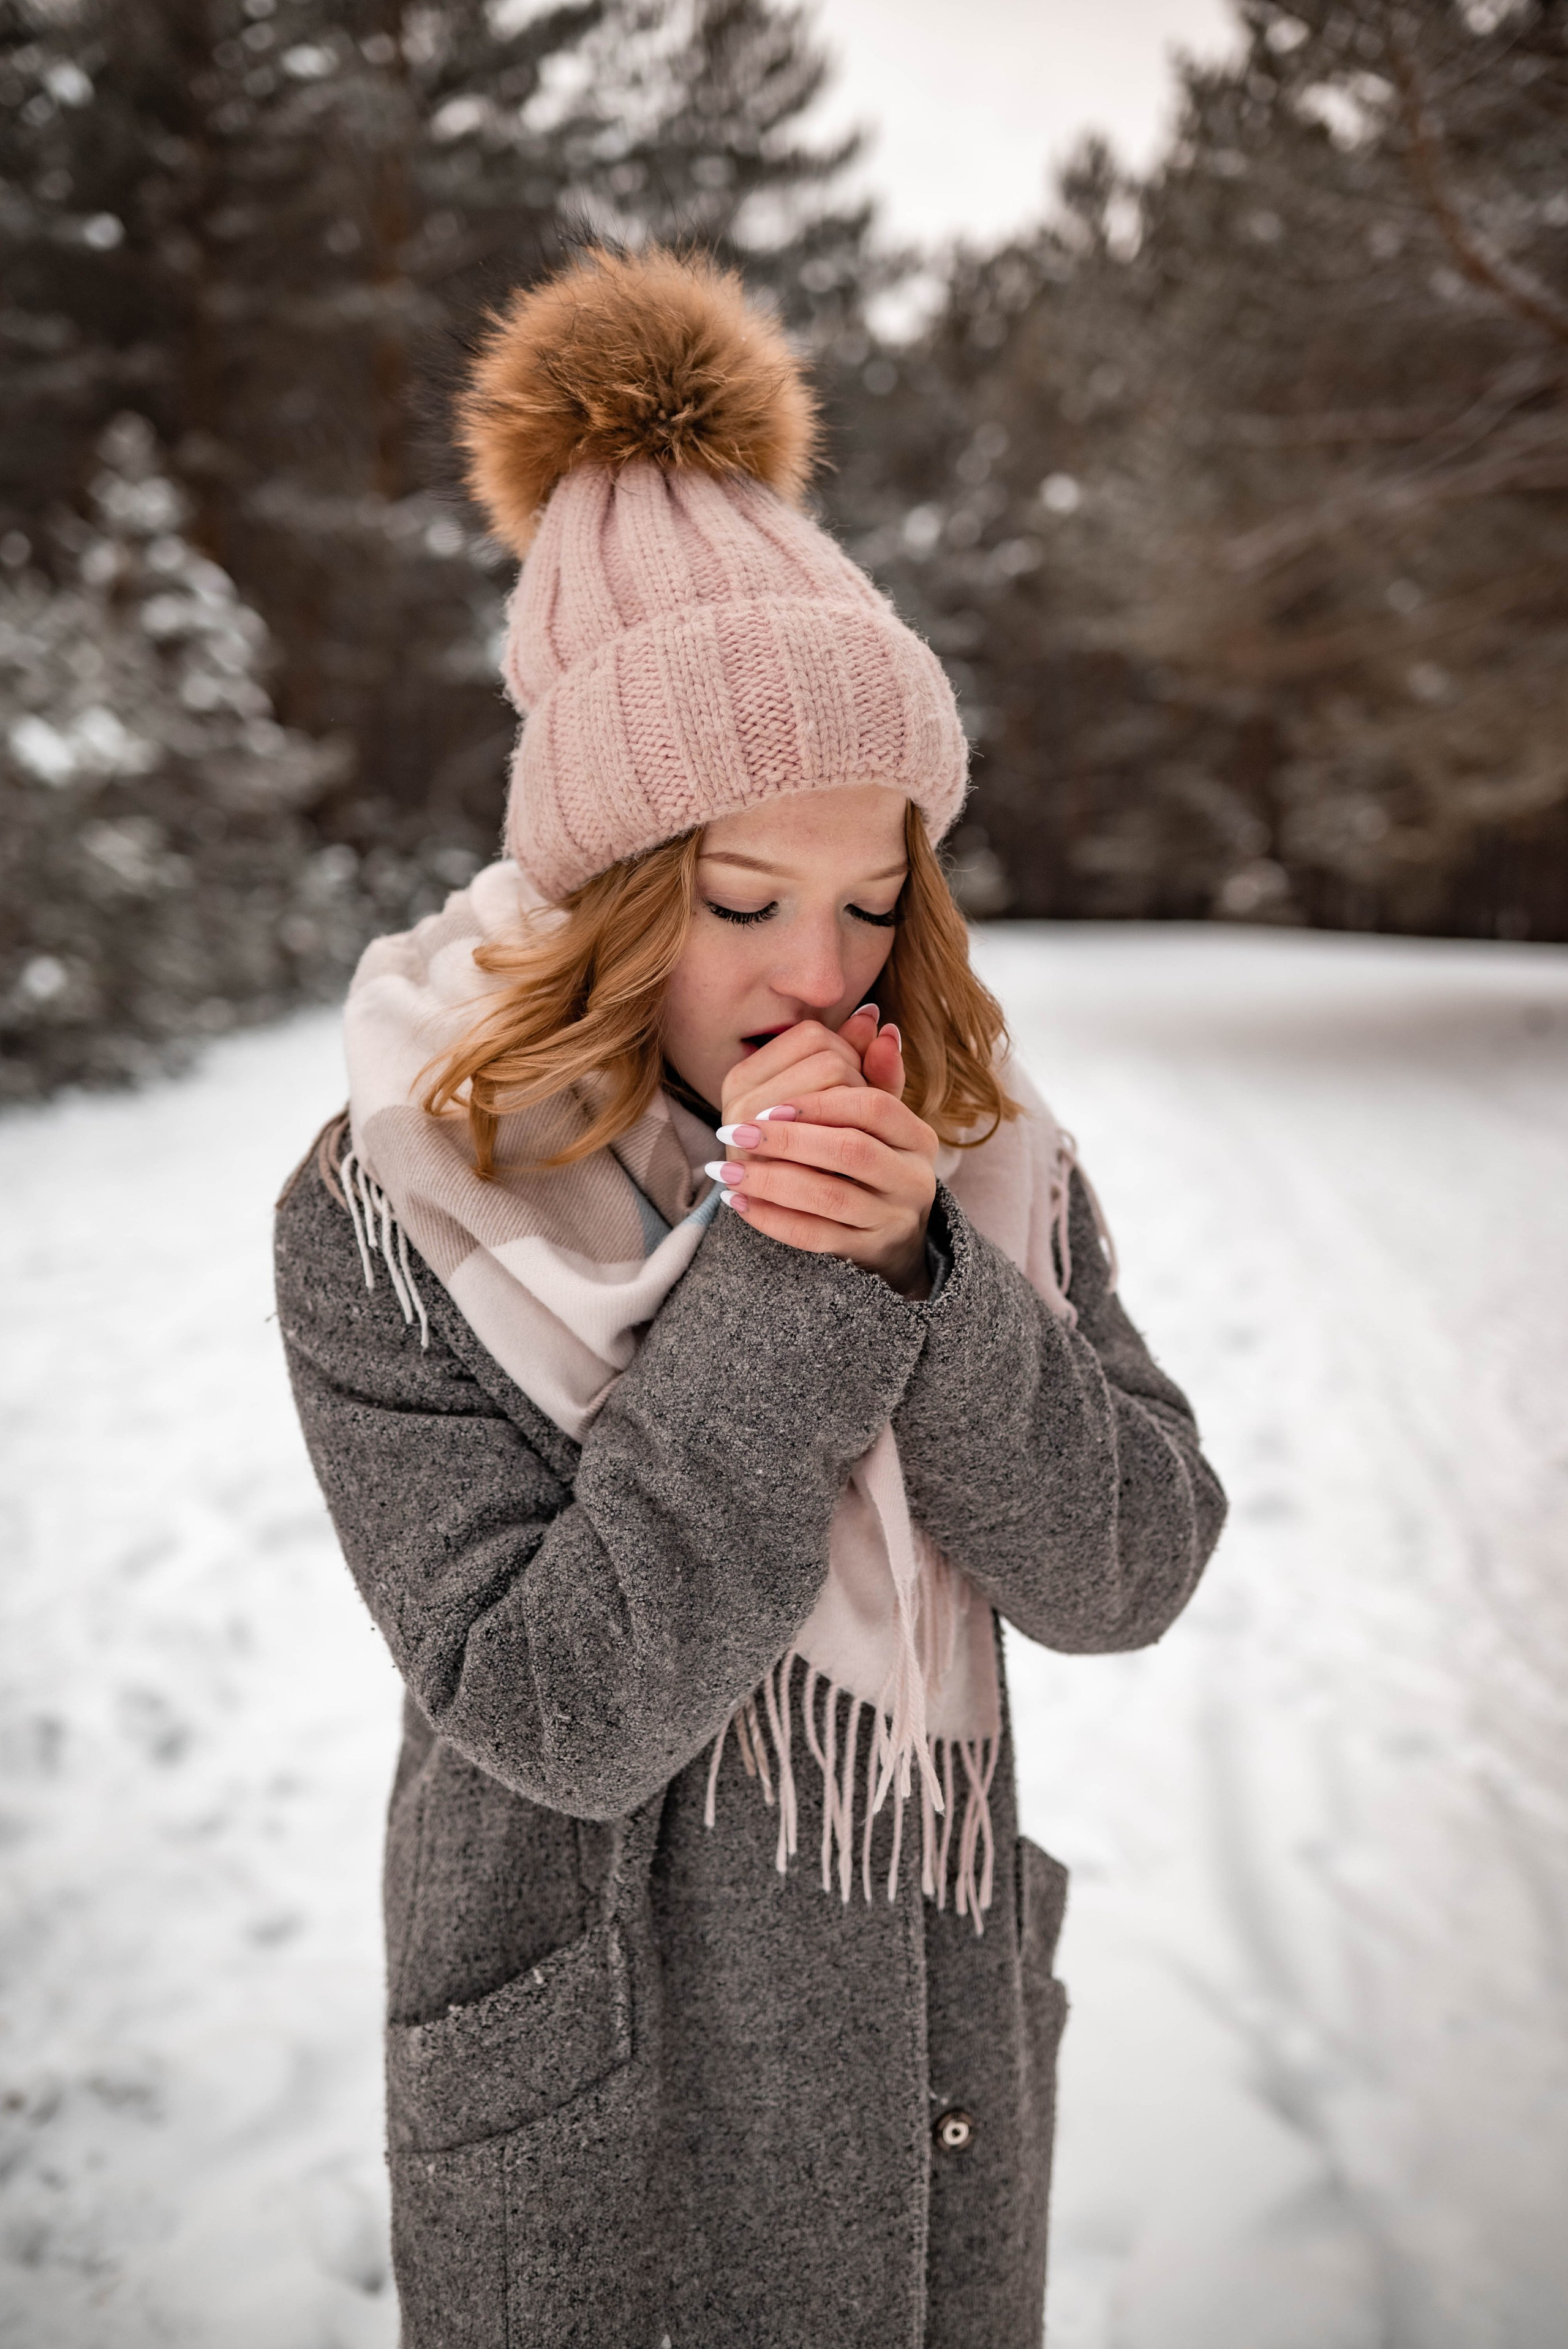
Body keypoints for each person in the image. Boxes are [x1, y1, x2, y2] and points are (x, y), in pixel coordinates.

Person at [274, 245, 1226, 2349]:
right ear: (607, 893)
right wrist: (794, 1291)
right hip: (604, 2102)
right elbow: (557, 1706)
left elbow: (1129, 1564)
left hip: (931, 2052)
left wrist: (924, 1270)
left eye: (877, 899)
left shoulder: (980, 1146)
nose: (823, 974)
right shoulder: (393, 1206)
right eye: (743, 900)